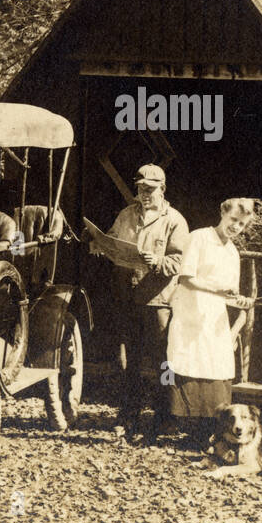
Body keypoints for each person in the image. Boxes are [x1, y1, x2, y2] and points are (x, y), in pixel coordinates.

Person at [101, 164, 188, 446]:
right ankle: (128, 417)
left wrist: (159, 262)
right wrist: (100, 245)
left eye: (150, 189)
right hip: (127, 297)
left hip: (157, 301)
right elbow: (113, 242)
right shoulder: (126, 214)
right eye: (140, 188)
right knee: (129, 362)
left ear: (162, 189)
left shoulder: (174, 220)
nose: (144, 194)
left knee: (163, 361)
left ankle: (164, 419)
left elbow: (179, 261)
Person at [166, 198, 256, 448]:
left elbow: (230, 295)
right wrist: (218, 290)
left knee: (216, 368)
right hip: (190, 313)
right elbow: (186, 278)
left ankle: (209, 432)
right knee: (188, 363)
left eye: (241, 224)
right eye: (233, 220)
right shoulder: (199, 238)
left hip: (215, 319)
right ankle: (184, 429)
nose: (236, 227)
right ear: (222, 213)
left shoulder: (233, 253)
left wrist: (242, 302)